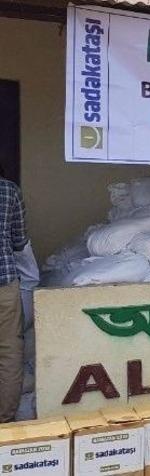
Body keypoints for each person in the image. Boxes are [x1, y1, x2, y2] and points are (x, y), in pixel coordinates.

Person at [0, 168, 27, 423]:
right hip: (4, 283)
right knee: (9, 351)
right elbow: (19, 241)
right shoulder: (9, 190)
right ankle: (5, 421)